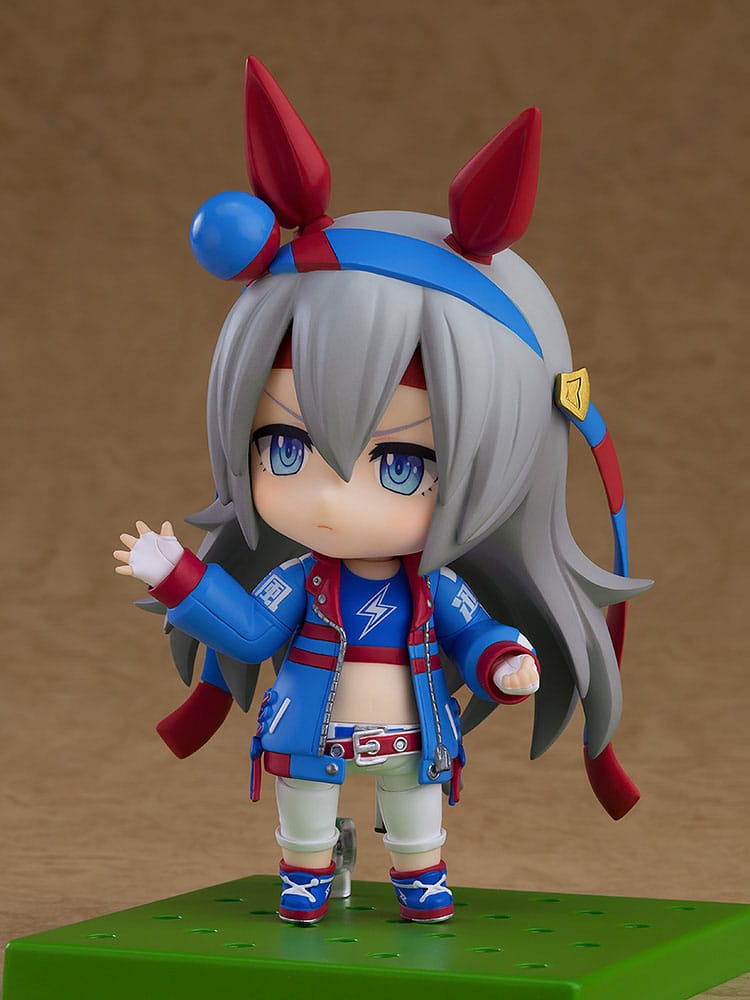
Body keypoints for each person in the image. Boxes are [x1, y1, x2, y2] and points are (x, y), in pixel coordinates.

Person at [114, 57, 649, 925]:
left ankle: (418, 875)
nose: (332, 500)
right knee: (305, 814)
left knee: (414, 814)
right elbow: (249, 629)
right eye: (286, 447)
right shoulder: (300, 581)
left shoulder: (435, 590)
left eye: (400, 464)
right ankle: (306, 873)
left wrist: (502, 660)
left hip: (415, 732)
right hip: (307, 731)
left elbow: (474, 633)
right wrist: (178, 576)